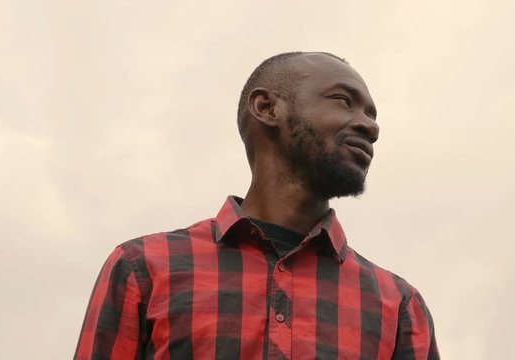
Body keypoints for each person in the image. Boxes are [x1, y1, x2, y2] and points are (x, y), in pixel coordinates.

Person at [74, 51, 439, 360]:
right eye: (344, 101)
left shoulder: (399, 305)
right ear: (266, 107)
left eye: (372, 115)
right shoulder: (144, 268)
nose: (370, 127)